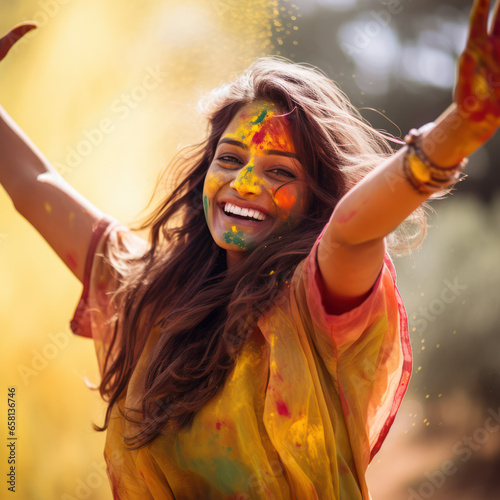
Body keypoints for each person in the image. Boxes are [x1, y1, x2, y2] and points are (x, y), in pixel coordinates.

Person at [1, 1, 499, 498]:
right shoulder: (142, 288)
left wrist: (460, 129)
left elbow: (352, 229)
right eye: (230, 158)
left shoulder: (317, 302)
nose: (242, 183)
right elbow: (33, 183)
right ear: (205, 172)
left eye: (280, 171)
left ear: (314, 196)